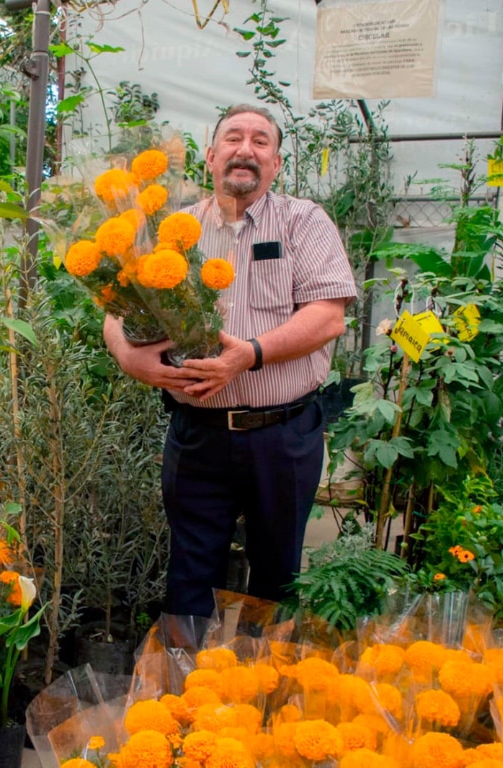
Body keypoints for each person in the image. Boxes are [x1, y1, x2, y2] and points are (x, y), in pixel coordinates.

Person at [103, 104, 357, 617]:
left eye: (261, 141)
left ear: (278, 162)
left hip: (281, 435)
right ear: (211, 156)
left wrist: (250, 356)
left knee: (275, 575)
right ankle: (184, 689)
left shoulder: (303, 222)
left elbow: (328, 317)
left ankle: (262, 687)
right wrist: (132, 357)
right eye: (234, 139)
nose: (246, 149)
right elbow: (116, 306)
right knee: (190, 572)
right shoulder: (174, 229)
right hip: (197, 435)